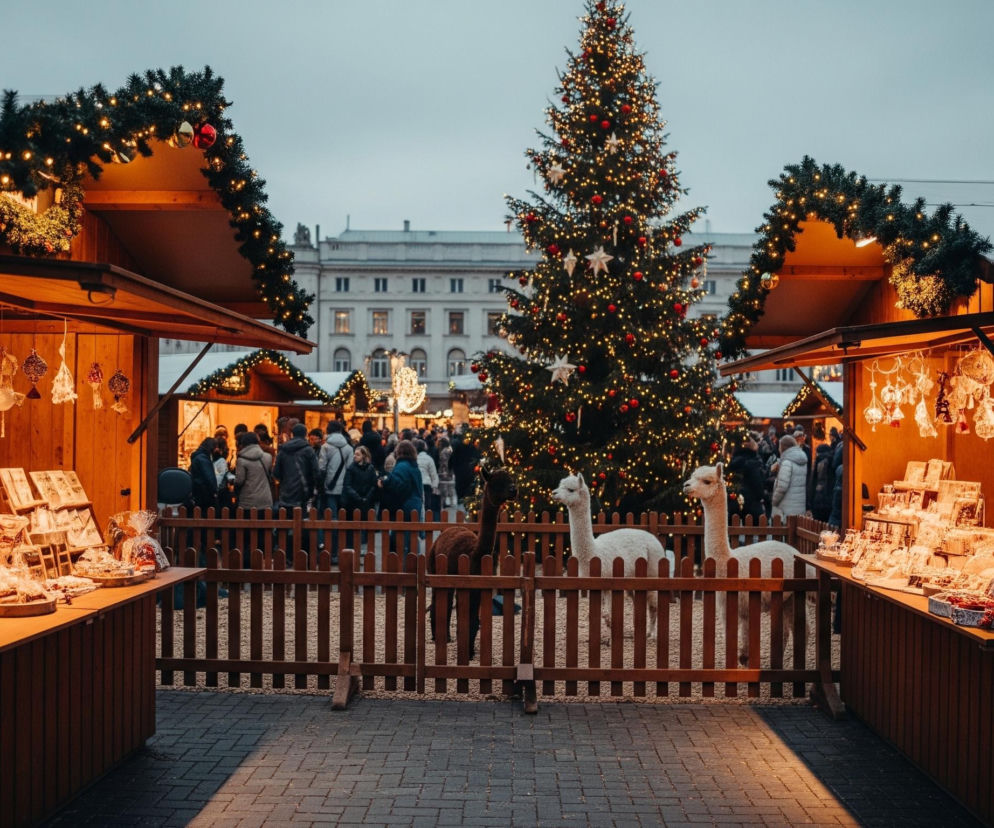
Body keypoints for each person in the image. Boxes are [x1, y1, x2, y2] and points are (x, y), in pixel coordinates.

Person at [377, 439, 424, 560]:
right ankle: (412, 566)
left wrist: (385, 482)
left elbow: (399, 485)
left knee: (401, 541)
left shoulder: (402, 466)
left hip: (404, 507)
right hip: (414, 505)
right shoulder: (414, 467)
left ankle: (403, 568)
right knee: (411, 539)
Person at [272, 423, 318, 511]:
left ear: (292, 434)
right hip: (303, 493)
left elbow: (276, 473)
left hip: (286, 492)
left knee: (285, 521)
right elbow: (315, 471)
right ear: (305, 434)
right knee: (302, 521)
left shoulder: (283, 450)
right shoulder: (309, 450)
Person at [342, 445, 379, 550]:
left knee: (364, 526)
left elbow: (373, 484)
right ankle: (352, 548)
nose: (354, 456)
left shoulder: (370, 468)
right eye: (354, 454)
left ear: (364, 455)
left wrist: (367, 497)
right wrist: (359, 497)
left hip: (365, 502)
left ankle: (362, 547)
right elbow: (347, 485)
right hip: (353, 502)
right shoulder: (351, 468)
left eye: (357, 454)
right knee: (352, 527)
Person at [726, 433, 766, 522]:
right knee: (754, 533)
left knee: (732, 532)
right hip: (752, 505)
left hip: (734, 503)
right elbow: (758, 487)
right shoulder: (753, 463)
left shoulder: (731, 464)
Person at [770, 434, 808, 520]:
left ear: (783, 447)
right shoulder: (801, 461)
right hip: (799, 507)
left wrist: (774, 502)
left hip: (786, 509)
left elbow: (782, 487)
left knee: (785, 532)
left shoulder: (787, 463)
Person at [234, 431, 274, 511]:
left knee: (248, 523)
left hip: (247, 501)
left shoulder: (241, 460)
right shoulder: (268, 457)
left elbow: (239, 481)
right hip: (265, 500)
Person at [189, 437, 220, 511]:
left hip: (198, 491)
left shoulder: (197, 456)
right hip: (205, 493)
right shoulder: (203, 459)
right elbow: (210, 477)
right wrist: (215, 491)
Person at [810, 439, 835, 522]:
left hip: (819, 499)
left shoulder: (821, 462)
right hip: (830, 500)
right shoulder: (832, 461)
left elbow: (816, 481)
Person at [413, 438, 440, 515]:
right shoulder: (429, 459)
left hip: (416, 484)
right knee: (427, 506)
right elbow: (433, 474)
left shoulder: (414, 458)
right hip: (427, 485)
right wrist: (435, 486)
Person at [436, 435, 455, 508]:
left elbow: (444, 462)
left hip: (444, 471)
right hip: (449, 471)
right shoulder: (449, 449)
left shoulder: (443, 451)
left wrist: (443, 471)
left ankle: (444, 502)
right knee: (450, 487)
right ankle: (451, 501)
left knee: (444, 487)